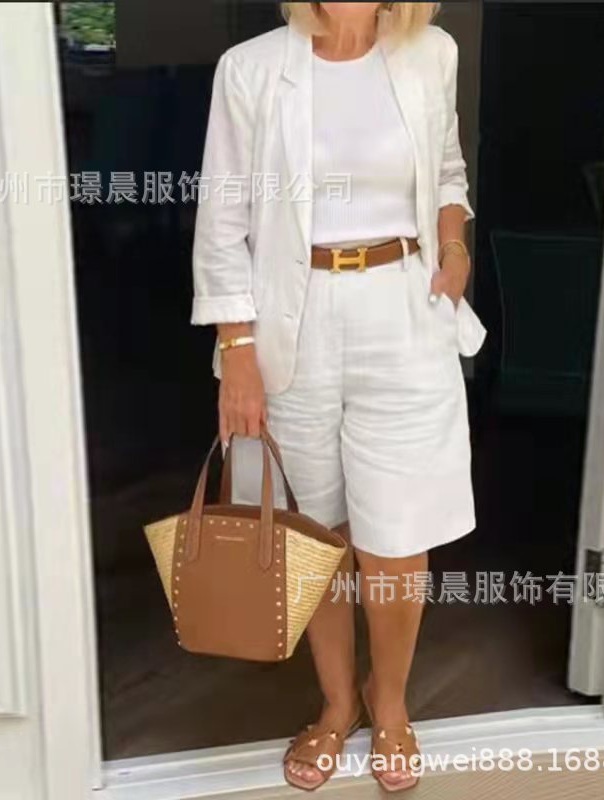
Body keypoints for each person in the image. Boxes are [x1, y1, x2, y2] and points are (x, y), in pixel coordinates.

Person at [191, 1, 486, 791]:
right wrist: (237, 351)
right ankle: (336, 704)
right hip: (293, 318)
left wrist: (452, 244)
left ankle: (389, 704)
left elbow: (446, 168)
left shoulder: (430, 52)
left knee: (397, 535)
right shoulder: (252, 69)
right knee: (314, 531)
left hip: (403, 304)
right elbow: (221, 217)